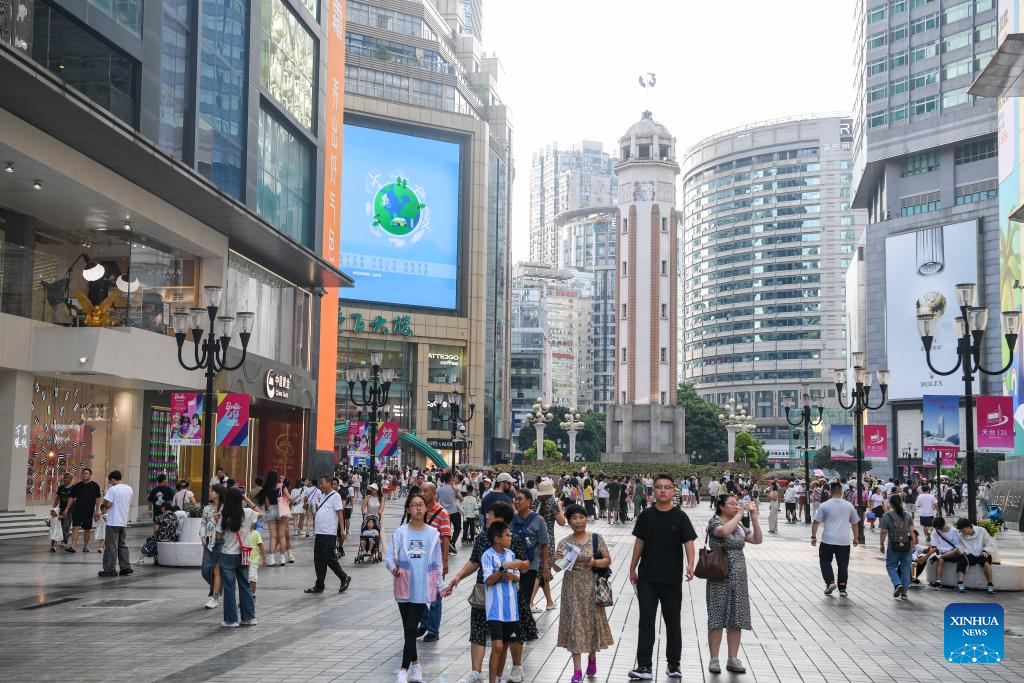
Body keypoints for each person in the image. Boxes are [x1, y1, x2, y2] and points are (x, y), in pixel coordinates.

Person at [443, 502, 530, 683]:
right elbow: (474, 561)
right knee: (478, 630)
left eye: (490, 513)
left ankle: (503, 673)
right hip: (485, 592)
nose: (487, 516)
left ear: (500, 518)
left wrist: (518, 569)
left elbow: (525, 564)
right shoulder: (483, 538)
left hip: (508, 596)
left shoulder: (513, 539)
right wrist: (458, 576)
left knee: (505, 640)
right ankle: (476, 672)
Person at [627, 474, 697, 680]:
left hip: (672, 579)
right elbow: (639, 542)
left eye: (667, 487)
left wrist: (691, 564)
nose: (663, 491)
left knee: (673, 622)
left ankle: (674, 664)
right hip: (648, 577)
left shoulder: (680, 516)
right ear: (653, 491)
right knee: (646, 622)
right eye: (659, 487)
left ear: (674, 491)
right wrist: (633, 568)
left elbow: (689, 542)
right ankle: (644, 667)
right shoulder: (646, 516)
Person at [553, 503, 614, 682]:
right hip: (571, 589)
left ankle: (592, 658)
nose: (578, 521)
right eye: (574, 518)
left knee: (592, 623)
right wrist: (556, 561)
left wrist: (595, 563)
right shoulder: (564, 542)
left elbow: (607, 560)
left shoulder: (596, 538)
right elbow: (558, 569)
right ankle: (577, 670)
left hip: (592, 587)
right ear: (569, 521)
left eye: (581, 517)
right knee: (575, 625)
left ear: (586, 518)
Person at [386, 493, 443, 683]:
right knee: (408, 629)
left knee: (411, 628)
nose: (418, 508)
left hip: (422, 588)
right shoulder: (400, 533)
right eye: (414, 505)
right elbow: (389, 558)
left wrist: (440, 586)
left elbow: (437, 563)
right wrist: (394, 569)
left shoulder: (433, 534)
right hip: (404, 586)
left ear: (426, 508)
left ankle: (404, 669)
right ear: (408, 509)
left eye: (421, 505)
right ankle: (416, 665)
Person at [705, 494, 762, 675]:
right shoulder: (714, 522)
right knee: (716, 616)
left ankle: (733, 658)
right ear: (721, 506)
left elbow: (757, 539)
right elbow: (723, 532)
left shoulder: (738, 525)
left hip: (738, 576)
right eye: (732, 504)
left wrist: (754, 519)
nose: (736, 506)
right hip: (719, 575)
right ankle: (714, 658)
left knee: (736, 617)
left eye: (737, 503)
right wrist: (741, 513)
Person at [482, 522, 520, 683]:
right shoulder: (488, 555)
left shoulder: (511, 554)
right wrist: (503, 569)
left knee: (504, 645)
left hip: (511, 609)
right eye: (507, 535)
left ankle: (497, 678)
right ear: (497, 538)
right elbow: (489, 581)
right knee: (497, 645)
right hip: (495, 609)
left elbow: (518, 576)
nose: (510, 538)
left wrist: (514, 576)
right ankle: (492, 680)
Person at [217, 487, 259, 627]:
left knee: (229, 588)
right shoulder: (247, 513)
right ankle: (249, 618)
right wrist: (246, 498)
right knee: (245, 585)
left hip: (228, 554)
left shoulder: (224, 514)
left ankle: (231, 620)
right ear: (240, 499)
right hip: (243, 554)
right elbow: (260, 512)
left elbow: (218, 535)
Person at [811, 482, 859, 597]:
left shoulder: (825, 505)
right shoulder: (849, 505)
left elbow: (816, 522)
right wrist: (856, 538)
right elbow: (855, 523)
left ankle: (830, 582)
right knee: (843, 565)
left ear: (830, 492)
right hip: (844, 541)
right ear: (841, 492)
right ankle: (842, 588)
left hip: (828, 540)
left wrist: (813, 536)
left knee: (825, 561)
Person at [417, 482, 451, 642]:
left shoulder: (442, 513)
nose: (422, 493)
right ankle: (425, 622)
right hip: (419, 560)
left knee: (436, 598)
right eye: (420, 490)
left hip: (434, 562)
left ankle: (433, 631)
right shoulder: (419, 511)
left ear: (433, 493)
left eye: (426, 491)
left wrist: (444, 562)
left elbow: (445, 539)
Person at [305, 476, 351, 594]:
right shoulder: (324, 496)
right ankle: (319, 584)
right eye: (319, 484)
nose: (320, 486)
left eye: (322, 484)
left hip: (328, 533)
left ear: (329, 483)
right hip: (320, 532)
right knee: (318, 559)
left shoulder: (336, 496)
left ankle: (343, 577)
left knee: (329, 558)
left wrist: (342, 529)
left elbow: (340, 513)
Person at [511, 489, 549, 625]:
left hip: (530, 566)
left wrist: (545, 567)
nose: (517, 501)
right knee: (513, 596)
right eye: (515, 499)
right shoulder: (512, 518)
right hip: (512, 565)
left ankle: (523, 626)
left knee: (525, 596)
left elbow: (544, 545)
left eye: (520, 499)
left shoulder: (538, 520)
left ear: (529, 501)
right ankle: (519, 625)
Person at [531, 479, 566, 611]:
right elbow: (562, 522)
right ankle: (530, 602)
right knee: (542, 572)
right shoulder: (552, 503)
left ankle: (550, 602)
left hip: (535, 541)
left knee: (544, 571)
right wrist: (561, 507)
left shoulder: (535, 502)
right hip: (548, 541)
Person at [99, 470, 134, 578]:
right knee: (122, 545)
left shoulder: (112, 489)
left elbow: (108, 504)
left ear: (113, 479)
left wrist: (105, 496)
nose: (110, 483)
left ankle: (110, 569)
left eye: (110, 481)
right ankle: (125, 567)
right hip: (123, 521)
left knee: (111, 546)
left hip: (113, 521)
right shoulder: (129, 489)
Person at [879, 493, 914, 601]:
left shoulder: (887, 516)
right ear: (901, 502)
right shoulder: (908, 515)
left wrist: (881, 544)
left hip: (893, 545)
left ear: (890, 503)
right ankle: (904, 593)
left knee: (890, 566)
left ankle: (897, 584)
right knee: (906, 568)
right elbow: (911, 531)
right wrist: (913, 544)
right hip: (907, 545)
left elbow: (883, 532)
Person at [64, 467, 102, 553]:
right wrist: (66, 509)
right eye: (83, 473)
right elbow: (71, 498)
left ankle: (85, 546)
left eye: (86, 473)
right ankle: (73, 546)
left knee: (87, 529)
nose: (84, 475)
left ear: (90, 475)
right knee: (75, 527)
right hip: (77, 510)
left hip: (88, 511)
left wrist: (96, 511)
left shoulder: (95, 486)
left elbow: (97, 499)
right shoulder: (77, 486)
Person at [955, 517, 996, 594]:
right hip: (970, 554)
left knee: (986, 561)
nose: (962, 532)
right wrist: (963, 551)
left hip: (981, 553)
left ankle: (990, 584)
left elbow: (990, 544)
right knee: (962, 560)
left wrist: (985, 550)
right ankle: (960, 583)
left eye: (963, 530)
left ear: (968, 526)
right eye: (960, 530)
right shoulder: (960, 535)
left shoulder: (981, 531)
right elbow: (960, 546)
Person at [201, 484, 225, 609]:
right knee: (205, 570)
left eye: (212, 491)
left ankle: (214, 596)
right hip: (209, 543)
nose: (210, 493)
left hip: (222, 542)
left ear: (218, 494)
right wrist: (202, 536)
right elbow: (203, 524)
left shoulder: (225, 509)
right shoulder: (207, 509)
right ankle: (218, 588)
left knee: (217, 571)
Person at [926, 516, 961, 589]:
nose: (939, 530)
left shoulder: (954, 531)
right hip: (942, 553)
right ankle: (938, 581)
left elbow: (958, 547)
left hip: (953, 553)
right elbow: (934, 547)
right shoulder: (935, 532)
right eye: (937, 528)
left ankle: (939, 557)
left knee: (941, 557)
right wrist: (926, 556)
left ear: (944, 524)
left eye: (940, 528)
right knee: (940, 561)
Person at [438, 472, 463, 555]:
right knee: (458, 527)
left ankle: (447, 546)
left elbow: (435, 500)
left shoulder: (439, 488)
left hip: (443, 513)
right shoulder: (454, 488)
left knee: (446, 531)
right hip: (454, 511)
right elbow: (461, 499)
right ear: (450, 479)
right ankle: (452, 543)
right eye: (452, 477)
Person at [247, 523, 268, 598]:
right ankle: (247, 593)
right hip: (244, 560)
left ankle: (252, 593)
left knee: (252, 577)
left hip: (254, 559)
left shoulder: (256, 533)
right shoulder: (241, 533)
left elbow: (261, 546)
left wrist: (265, 558)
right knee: (246, 578)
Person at [53, 472, 73, 545]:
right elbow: (57, 498)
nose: (64, 479)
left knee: (66, 526)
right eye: (64, 478)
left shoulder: (73, 488)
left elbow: (74, 499)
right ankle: (66, 536)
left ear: (71, 479)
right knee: (60, 525)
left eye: (66, 478)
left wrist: (67, 509)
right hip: (61, 509)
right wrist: (54, 507)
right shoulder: (61, 487)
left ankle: (64, 541)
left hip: (70, 510)